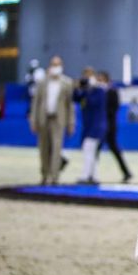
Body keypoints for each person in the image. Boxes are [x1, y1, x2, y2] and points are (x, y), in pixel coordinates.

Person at [30, 55, 74, 185]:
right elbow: (36, 103)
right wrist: (33, 120)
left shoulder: (67, 83)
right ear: (50, 66)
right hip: (43, 119)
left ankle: (55, 177)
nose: (55, 67)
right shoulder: (42, 83)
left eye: (58, 65)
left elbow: (69, 105)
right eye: (53, 64)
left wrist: (71, 122)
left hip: (58, 120)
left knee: (56, 148)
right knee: (44, 149)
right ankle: (45, 174)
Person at [97, 70, 132, 183]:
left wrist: (104, 115)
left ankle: (126, 172)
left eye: (101, 79)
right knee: (95, 150)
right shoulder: (97, 92)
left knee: (114, 149)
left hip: (110, 125)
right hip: (99, 125)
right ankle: (92, 173)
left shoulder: (112, 91)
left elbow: (115, 108)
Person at [74, 67, 107, 185]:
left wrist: (90, 89)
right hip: (87, 126)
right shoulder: (85, 90)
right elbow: (75, 98)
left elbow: (93, 102)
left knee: (89, 149)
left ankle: (86, 175)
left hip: (96, 126)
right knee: (91, 151)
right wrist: (78, 87)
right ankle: (94, 176)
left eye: (89, 75)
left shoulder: (99, 91)